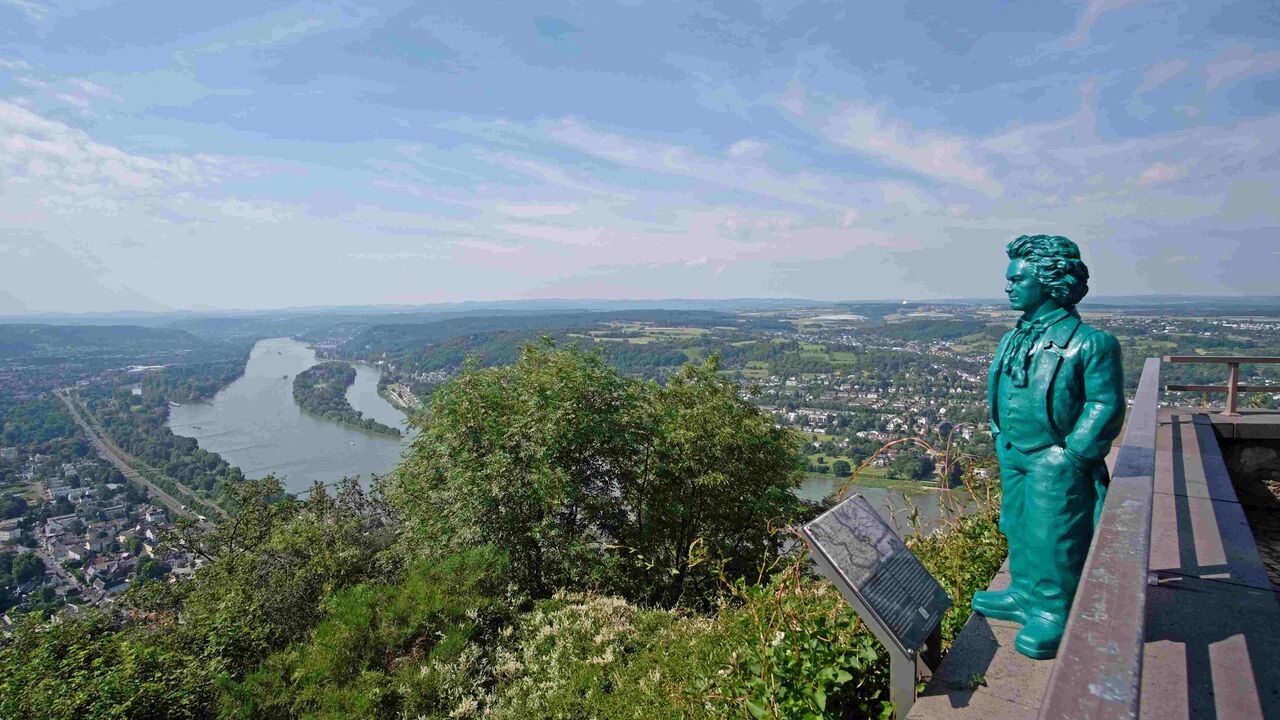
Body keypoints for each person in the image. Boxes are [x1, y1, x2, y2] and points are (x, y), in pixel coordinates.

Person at [971, 235, 1125, 659]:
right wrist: (999, 432)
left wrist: (1073, 454)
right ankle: (1022, 592)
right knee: (1016, 523)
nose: (1008, 287)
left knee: (1054, 534)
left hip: (1054, 458)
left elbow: (1106, 404)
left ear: (1049, 282)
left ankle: (1053, 610)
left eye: (1017, 279)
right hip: (1013, 451)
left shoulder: (1090, 343)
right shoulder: (1012, 337)